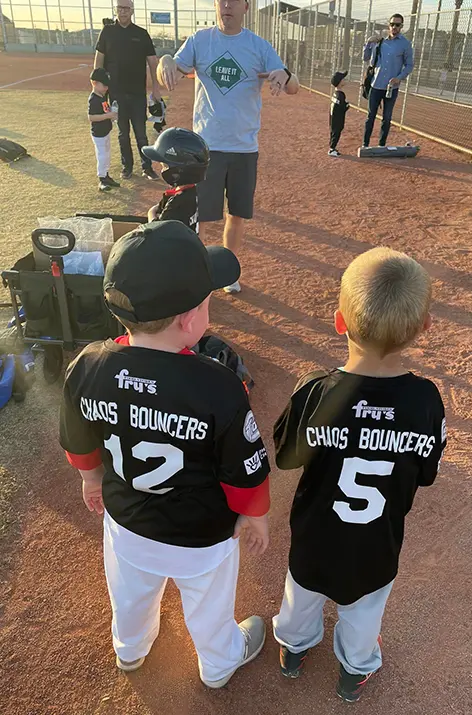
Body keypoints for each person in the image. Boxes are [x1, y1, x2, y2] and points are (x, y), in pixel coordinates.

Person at [59, 220, 271, 688]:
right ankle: (219, 664)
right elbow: (244, 472)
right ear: (188, 320)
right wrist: (253, 515)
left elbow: (80, 440)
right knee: (210, 605)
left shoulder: (89, 364)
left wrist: (91, 480)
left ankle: (130, 650)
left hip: (128, 523)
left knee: (130, 596)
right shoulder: (218, 384)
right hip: (201, 538)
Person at [272, 247, 447, 703]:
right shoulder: (425, 401)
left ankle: (293, 649)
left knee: (300, 598)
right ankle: (354, 670)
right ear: (423, 328)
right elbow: (426, 473)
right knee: (364, 612)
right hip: (376, 543)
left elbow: (286, 458)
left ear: (339, 321)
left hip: (314, 535)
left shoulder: (316, 391)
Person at [157, 0, 299, 294]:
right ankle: (196, 274)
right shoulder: (200, 41)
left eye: (235, 1)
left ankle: (227, 270)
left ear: (246, 7)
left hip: (244, 147)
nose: (227, 6)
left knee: (237, 213)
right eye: (222, 0)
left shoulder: (258, 46)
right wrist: (165, 61)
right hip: (206, 148)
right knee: (202, 218)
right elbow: (171, 70)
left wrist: (286, 75)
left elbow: (292, 84)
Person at [94, 0, 160, 181]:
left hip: (138, 93)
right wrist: (97, 87)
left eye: (126, 8)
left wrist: (156, 87)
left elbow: (152, 62)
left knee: (141, 134)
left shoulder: (141, 34)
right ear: (116, 10)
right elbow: (99, 59)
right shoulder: (107, 32)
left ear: (132, 11)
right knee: (123, 134)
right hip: (115, 93)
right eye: (119, 8)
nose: (122, 12)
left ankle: (147, 167)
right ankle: (127, 167)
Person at [362, 14, 414, 148]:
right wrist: (368, 43)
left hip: (391, 88)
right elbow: (366, 58)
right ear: (388, 25)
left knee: (386, 118)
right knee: (370, 117)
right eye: (392, 24)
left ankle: (381, 145)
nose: (394, 27)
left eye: (398, 25)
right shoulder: (380, 42)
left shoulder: (405, 44)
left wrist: (399, 77)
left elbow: (409, 65)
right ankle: (365, 144)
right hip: (376, 85)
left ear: (401, 27)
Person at [143, 127, 209, 231]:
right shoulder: (193, 192)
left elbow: (155, 231)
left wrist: (150, 212)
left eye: (165, 166)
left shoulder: (178, 202)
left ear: (178, 171)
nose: (162, 169)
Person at [88, 68, 121, 192]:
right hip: (98, 133)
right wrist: (107, 116)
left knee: (107, 154)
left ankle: (106, 175)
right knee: (102, 156)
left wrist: (111, 115)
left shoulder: (102, 96)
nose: (106, 87)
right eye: (104, 85)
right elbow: (91, 117)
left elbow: (105, 110)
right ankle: (101, 178)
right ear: (95, 83)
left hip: (105, 131)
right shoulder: (93, 99)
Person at [329, 70, 350, 157]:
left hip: (333, 117)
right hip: (338, 118)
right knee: (336, 133)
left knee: (333, 132)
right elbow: (342, 107)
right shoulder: (341, 94)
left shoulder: (335, 93)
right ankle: (332, 149)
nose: (344, 80)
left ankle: (332, 147)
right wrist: (347, 106)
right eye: (343, 79)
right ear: (340, 82)